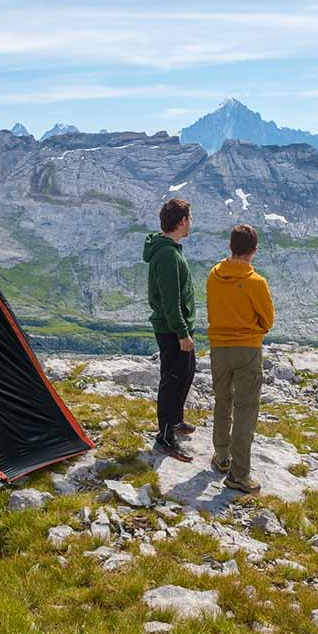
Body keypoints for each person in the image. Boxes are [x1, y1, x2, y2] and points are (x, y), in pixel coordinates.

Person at [206, 223, 274, 493]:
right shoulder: (256, 282)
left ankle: (222, 457)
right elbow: (268, 320)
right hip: (247, 349)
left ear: (230, 247)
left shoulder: (213, 275)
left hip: (218, 348)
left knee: (222, 401)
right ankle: (239, 475)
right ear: (254, 251)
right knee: (245, 409)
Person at [143, 198, 196, 462]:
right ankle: (165, 437)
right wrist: (181, 332)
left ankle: (175, 420)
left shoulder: (171, 250)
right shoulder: (165, 254)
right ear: (182, 221)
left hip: (178, 327)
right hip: (172, 328)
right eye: (190, 218)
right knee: (172, 380)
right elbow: (170, 299)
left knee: (185, 373)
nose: (191, 223)